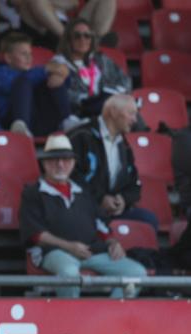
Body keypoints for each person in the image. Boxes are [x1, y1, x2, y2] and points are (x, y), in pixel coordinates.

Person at [19, 133, 146, 298]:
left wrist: (113, 242)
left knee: (137, 273)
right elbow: (36, 235)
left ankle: (110, 318)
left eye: (66, 159)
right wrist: (69, 246)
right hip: (53, 252)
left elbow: (100, 225)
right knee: (70, 275)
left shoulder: (83, 191)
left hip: (90, 251)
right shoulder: (32, 192)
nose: (60, 164)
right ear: (44, 163)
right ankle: (70, 321)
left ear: (73, 163)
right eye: (54, 159)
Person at [68, 94, 159, 233]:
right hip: (85, 209)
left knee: (149, 220)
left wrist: (123, 199)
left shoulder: (125, 145)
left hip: (112, 212)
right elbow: (71, 177)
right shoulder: (80, 136)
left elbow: (134, 184)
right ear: (113, 112)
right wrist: (100, 198)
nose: (135, 120)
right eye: (131, 113)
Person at [0, 31, 71, 138]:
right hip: (10, 122)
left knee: (52, 78)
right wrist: (45, 69)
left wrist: (62, 75)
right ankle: (21, 126)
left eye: (30, 54)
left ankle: (68, 120)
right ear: (8, 58)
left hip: (38, 121)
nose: (29, 58)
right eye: (24, 54)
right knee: (23, 81)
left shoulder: (33, 73)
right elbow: (14, 84)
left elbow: (67, 84)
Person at [53, 17, 131, 121]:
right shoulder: (59, 63)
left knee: (126, 106)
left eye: (87, 36)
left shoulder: (100, 59)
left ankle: (145, 133)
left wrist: (113, 93)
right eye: (77, 36)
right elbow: (63, 94)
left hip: (108, 106)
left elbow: (125, 80)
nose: (83, 39)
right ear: (69, 39)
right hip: (80, 113)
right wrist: (90, 100)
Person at [10, 0, 116, 46]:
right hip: (42, 27)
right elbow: (18, 2)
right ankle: (70, 39)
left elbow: (73, 3)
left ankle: (94, 39)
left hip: (66, 25)